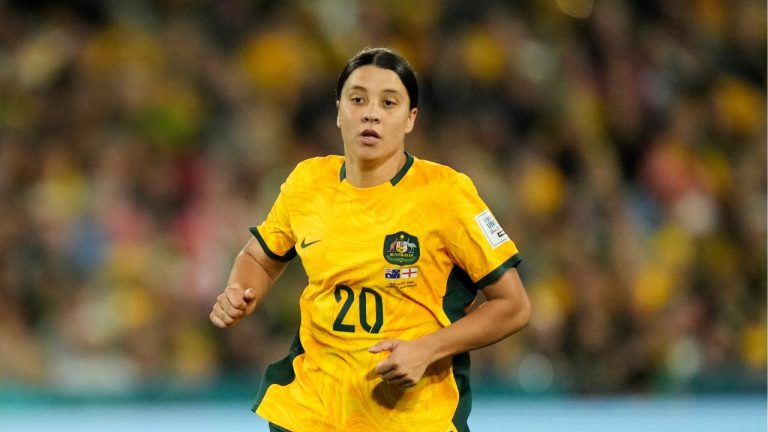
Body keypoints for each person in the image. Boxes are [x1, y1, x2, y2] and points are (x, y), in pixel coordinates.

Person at [209, 47, 530, 432]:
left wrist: (426, 349)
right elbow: (260, 258)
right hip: (313, 412)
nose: (371, 112)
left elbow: (513, 306)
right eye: (357, 99)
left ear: (411, 119)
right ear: (339, 111)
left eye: (389, 102)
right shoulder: (307, 183)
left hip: (413, 417)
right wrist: (238, 292)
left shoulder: (446, 194)